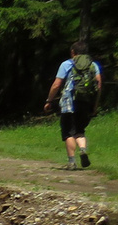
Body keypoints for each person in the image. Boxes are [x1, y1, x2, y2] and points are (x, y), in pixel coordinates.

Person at [43, 40, 102, 169]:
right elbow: (98, 86)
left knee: (68, 132)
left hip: (69, 102)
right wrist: (95, 106)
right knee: (80, 131)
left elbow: (56, 84)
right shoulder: (93, 66)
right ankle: (82, 149)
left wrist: (49, 101)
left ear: (72, 52)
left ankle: (71, 162)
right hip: (86, 102)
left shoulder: (66, 64)